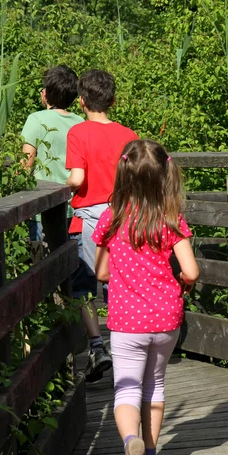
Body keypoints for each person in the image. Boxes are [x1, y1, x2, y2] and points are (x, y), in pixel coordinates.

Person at [92, 139, 200, 455]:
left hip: (126, 321)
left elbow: (102, 273)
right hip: (166, 318)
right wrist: (181, 284)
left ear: (123, 175)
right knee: (155, 385)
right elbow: (191, 270)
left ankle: (130, 443)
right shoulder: (171, 220)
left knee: (127, 388)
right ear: (164, 177)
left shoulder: (113, 218)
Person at [65, 69, 138, 382]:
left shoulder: (78, 133)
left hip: (90, 218)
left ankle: (97, 346)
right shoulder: (129, 136)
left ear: (81, 102)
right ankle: (124, 345)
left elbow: (77, 179)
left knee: (83, 285)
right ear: (114, 100)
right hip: (124, 214)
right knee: (117, 282)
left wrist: (62, 186)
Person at [21, 65, 84, 255]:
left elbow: (26, 164)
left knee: (39, 261)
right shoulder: (80, 122)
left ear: (46, 93)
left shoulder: (36, 119)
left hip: (42, 209)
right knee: (71, 262)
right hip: (73, 207)